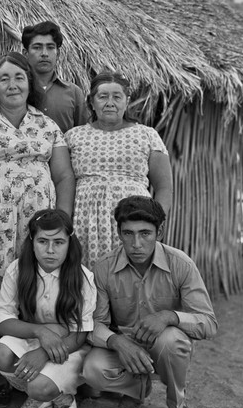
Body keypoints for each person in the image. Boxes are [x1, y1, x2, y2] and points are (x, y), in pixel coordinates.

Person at [82, 196, 218, 408]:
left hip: (164, 344)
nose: (136, 244)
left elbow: (208, 323)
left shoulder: (181, 264)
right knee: (92, 369)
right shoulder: (103, 268)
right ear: (119, 232)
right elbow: (95, 325)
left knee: (171, 340)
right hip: (123, 347)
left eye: (145, 233)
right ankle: (135, 391)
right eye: (128, 233)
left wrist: (169, 316)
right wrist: (118, 342)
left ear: (160, 232)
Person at [0, 51, 75, 292]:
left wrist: (62, 224)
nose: (13, 86)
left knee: (37, 281)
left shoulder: (47, 125)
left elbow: (64, 177)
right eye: (4, 79)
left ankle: (31, 327)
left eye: (19, 78)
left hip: (40, 221)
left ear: (29, 83)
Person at [0, 209, 96, 408]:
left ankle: (48, 394)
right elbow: (1, 321)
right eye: (42, 241)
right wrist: (40, 331)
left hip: (69, 346)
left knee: (39, 386)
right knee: (2, 352)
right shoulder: (18, 270)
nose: (50, 250)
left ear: (70, 242)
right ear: (32, 241)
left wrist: (43, 353)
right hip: (34, 337)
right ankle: (51, 396)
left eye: (59, 242)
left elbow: (80, 334)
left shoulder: (83, 278)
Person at [65, 71, 173, 270]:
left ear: (127, 101)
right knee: (88, 280)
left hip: (133, 221)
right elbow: (64, 182)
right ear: (92, 101)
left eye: (117, 97)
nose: (110, 102)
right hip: (85, 222)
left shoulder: (146, 135)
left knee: (131, 278)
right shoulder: (73, 137)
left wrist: (154, 223)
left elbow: (164, 187)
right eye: (103, 96)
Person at [22, 21, 88, 133]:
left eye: (50, 47)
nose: (44, 53)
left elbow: (83, 134)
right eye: (37, 47)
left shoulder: (74, 93)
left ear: (58, 54)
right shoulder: (16, 91)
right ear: (25, 53)